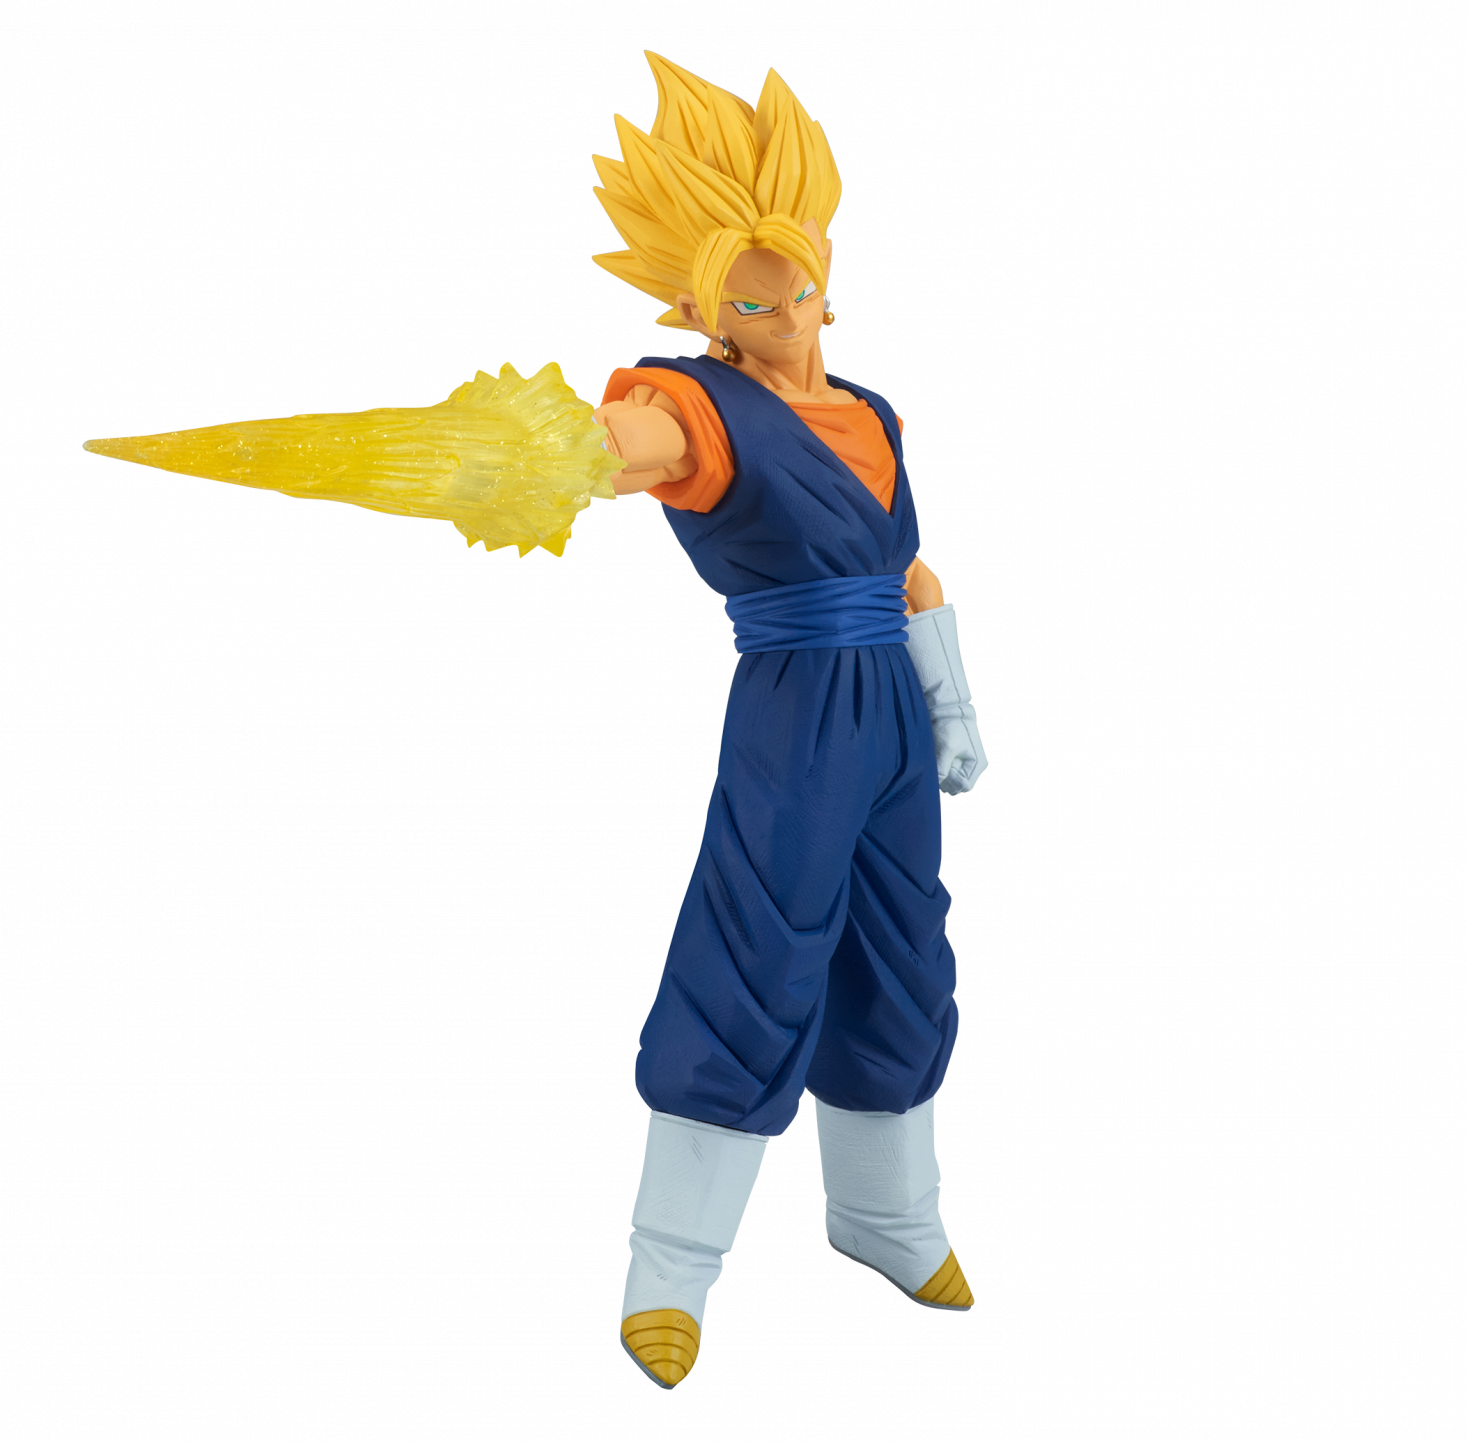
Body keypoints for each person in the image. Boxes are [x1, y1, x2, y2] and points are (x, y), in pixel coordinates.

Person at [588, 54, 989, 1392]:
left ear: (824, 272)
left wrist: (951, 700)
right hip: (797, 707)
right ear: (701, 307)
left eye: (794, 278)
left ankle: (887, 1216)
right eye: (747, 292)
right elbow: (631, 448)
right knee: (756, 952)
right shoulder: (693, 403)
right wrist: (554, 456)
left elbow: (910, 567)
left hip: (892, 714)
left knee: (902, 953)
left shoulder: (870, 410)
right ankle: (670, 1266)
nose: (780, 307)